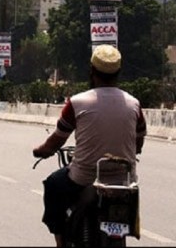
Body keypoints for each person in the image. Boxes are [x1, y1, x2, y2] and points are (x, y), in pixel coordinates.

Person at [32, 44, 147, 247]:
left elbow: (57, 139)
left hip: (83, 177)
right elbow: (138, 142)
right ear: (118, 73)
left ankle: (60, 242)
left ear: (92, 71)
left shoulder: (77, 102)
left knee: (52, 185)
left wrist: (41, 150)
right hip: (123, 180)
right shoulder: (134, 104)